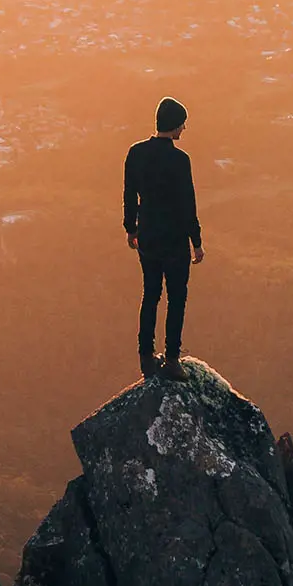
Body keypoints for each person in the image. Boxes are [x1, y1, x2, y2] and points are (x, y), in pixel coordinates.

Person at [123, 96, 204, 379]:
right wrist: (197, 241)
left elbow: (129, 194)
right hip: (174, 240)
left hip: (148, 236)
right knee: (177, 298)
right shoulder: (180, 160)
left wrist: (130, 229)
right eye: (183, 124)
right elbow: (187, 203)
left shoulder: (136, 153)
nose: (184, 129)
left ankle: (146, 357)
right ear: (175, 126)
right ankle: (172, 359)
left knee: (151, 295)